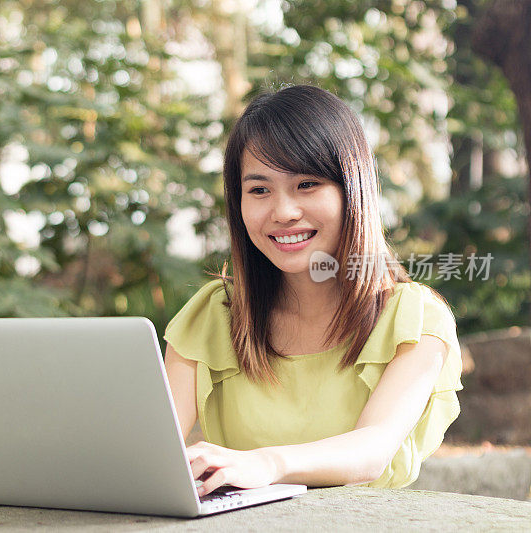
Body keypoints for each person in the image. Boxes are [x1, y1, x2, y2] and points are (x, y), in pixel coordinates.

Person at [163, 84, 463, 497]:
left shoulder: (414, 318)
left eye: (307, 184)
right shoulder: (213, 315)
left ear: (352, 190)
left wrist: (266, 463)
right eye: (259, 190)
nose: (284, 212)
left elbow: (370, 451)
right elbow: (150, 451)